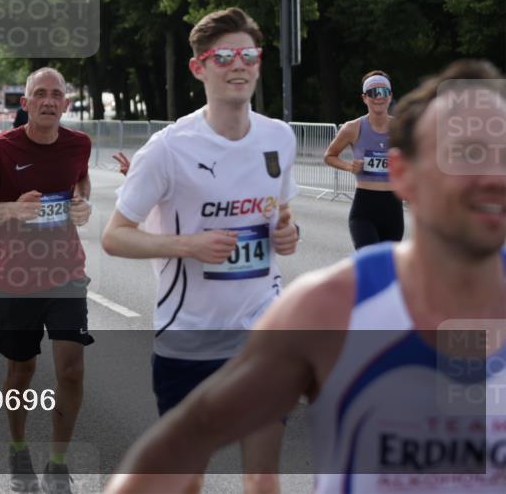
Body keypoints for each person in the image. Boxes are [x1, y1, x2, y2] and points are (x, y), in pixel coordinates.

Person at [106, 59, 506, 493]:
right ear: (403, 175)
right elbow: (182, 442)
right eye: (465, 153)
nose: (493, 176)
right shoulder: (330, 308)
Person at [101, 7, 299, 494]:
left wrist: (286, 236)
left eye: (248, 55)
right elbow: (115, 234)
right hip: (188, 338)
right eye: (224, 55)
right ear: (199, 67)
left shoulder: (280, 137)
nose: (239, 65)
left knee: (263, 478)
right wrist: (188, 244)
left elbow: (280, 219)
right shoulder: (168, 149)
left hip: (262, 333)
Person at [0, 67, 94, 494]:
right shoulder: (0, 150)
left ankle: (57, 464)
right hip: (17, 277)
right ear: (26, 103)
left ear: (67, 104)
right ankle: (19, 450)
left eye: (57, 94)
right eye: (40, 94)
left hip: (67, 272)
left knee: (71, 372)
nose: (49, 101)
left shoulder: (79, 144)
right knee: (22, 370)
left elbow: (81, 180)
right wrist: (12, 210)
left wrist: (82, 203)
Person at [324, 70, 404, 249]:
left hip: (393, 208)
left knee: (389, 269)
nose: (378, 97)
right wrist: (348, 166)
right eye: (372, 93)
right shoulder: (352, 128)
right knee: (370, 264)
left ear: (390, 96)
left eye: (383, 92)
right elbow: (329, 156)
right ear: (364, 98)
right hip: (364, 209)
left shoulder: (400, 128)